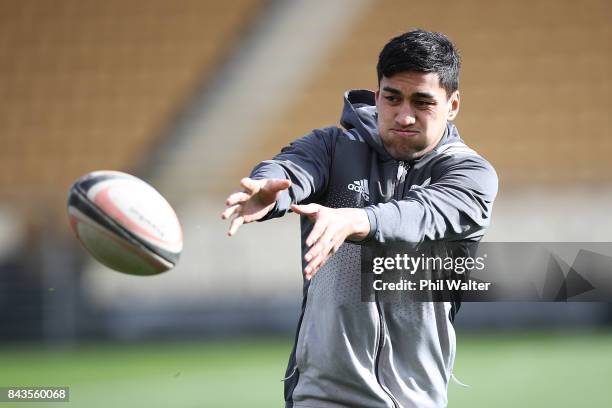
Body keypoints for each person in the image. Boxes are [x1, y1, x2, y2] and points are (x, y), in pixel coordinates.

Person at [222, 29, 497, 408]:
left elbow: (423, 215)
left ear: (452, 105)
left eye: (422, 102)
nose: (404, 115)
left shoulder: (470, 175)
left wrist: (356, 220)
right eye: (392, 97)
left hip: (416, 399)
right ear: (378, 92)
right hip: (320, 396)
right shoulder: (333, 148)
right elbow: (293, 169)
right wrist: (273, 191)